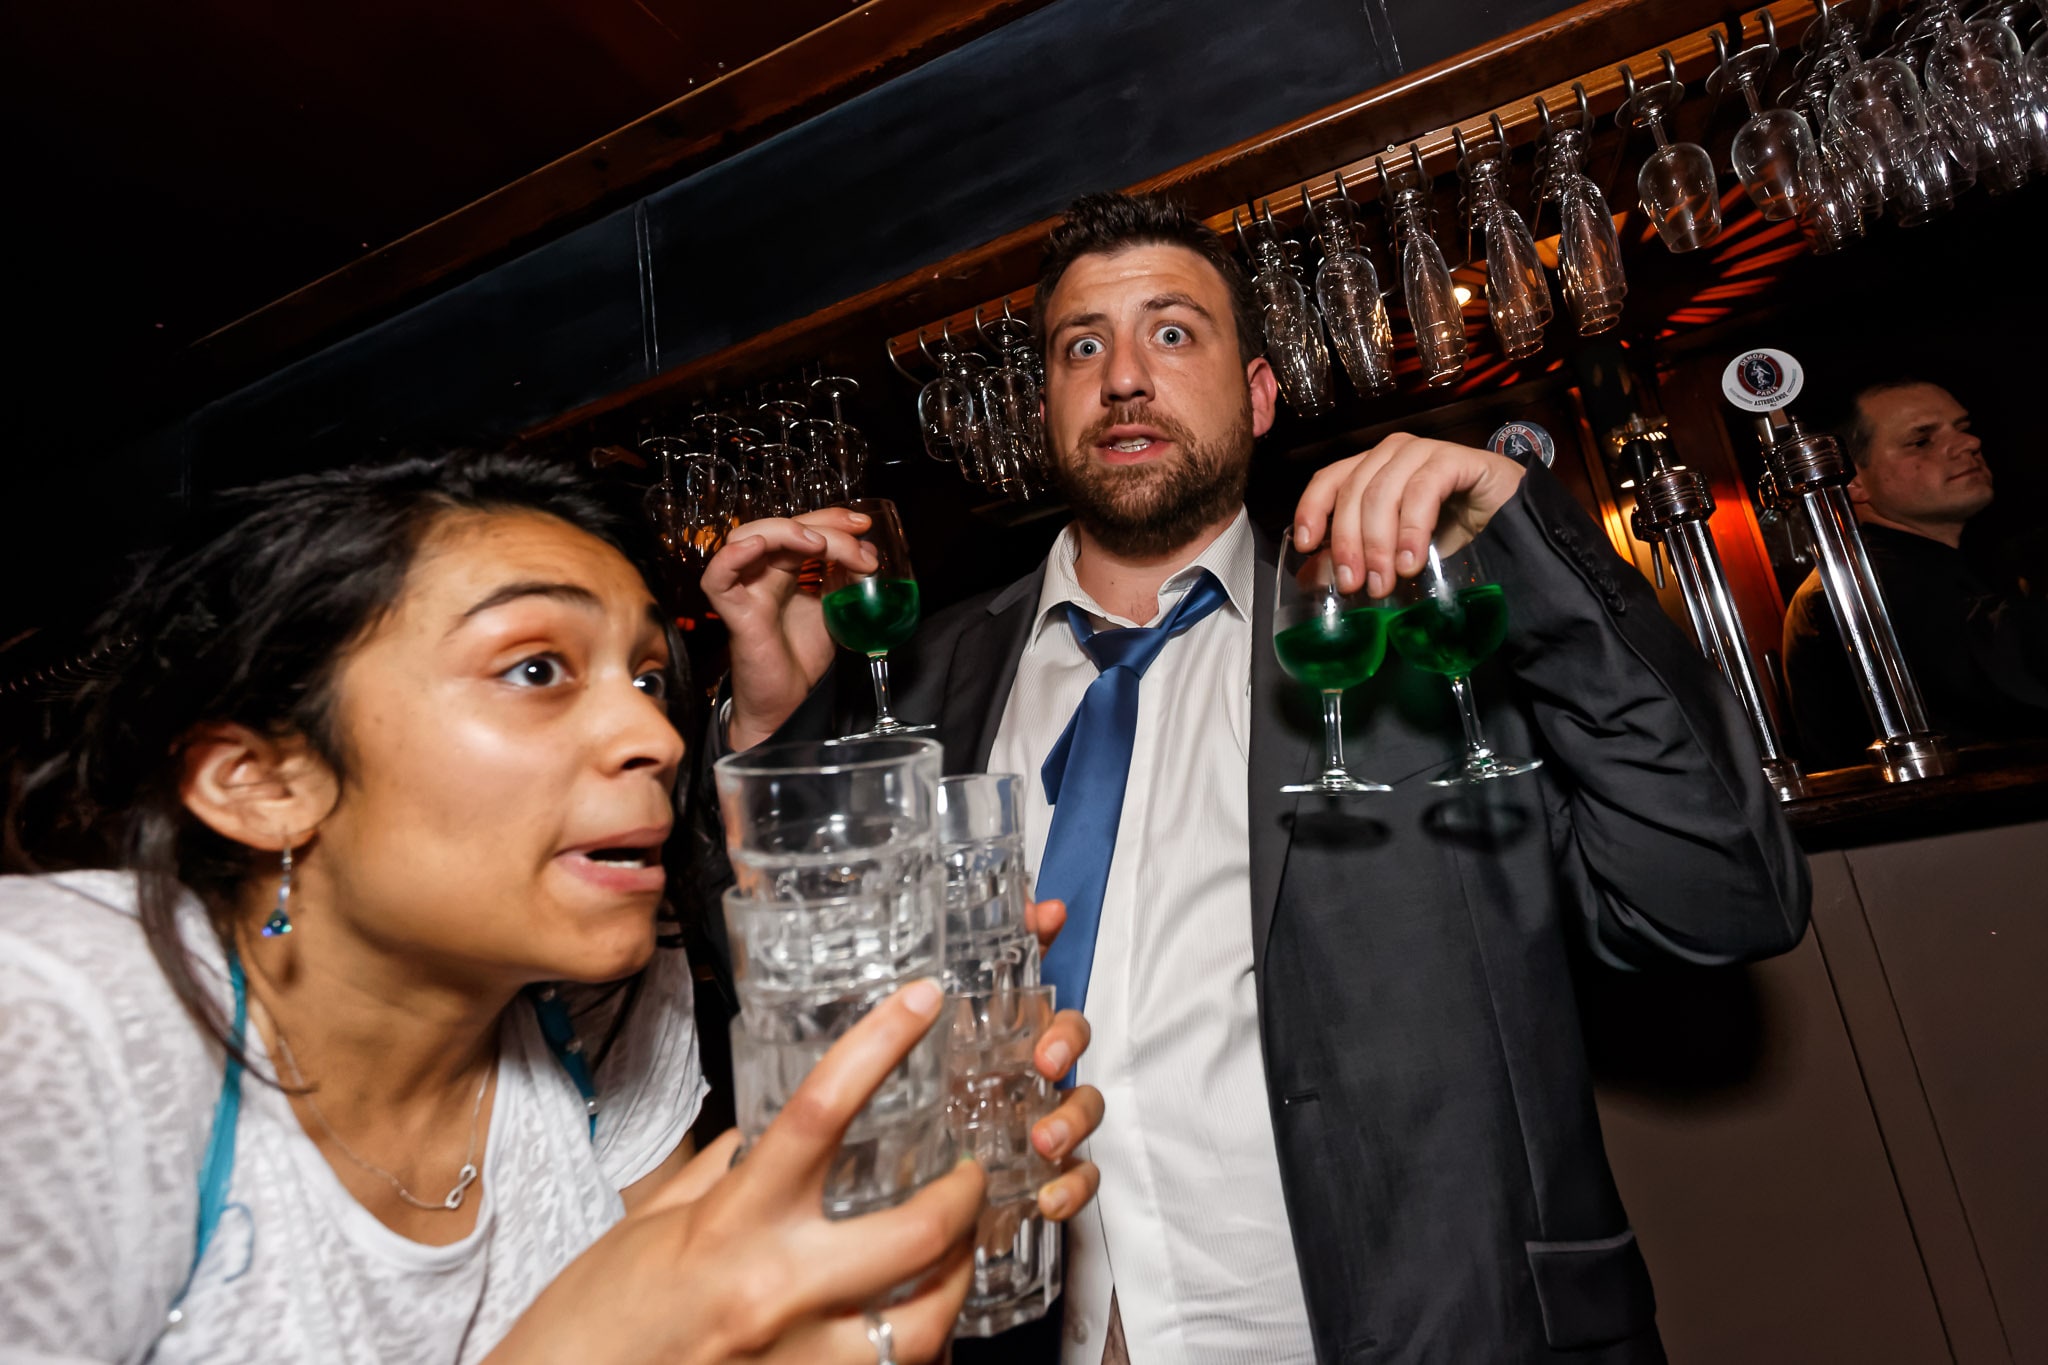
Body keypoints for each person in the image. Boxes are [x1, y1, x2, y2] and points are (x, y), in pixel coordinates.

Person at [700, 193, 1810, 1364]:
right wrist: (771, 726)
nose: (1123, 378)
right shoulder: (922, 679)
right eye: (1081, 347)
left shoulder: (1405, 639)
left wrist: (1520, 536)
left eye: (1172, 333)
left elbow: (1719, 895)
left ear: (1259, 395)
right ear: (1044, 412)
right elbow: (787, 1014)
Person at [0, 451, 1105, 1365]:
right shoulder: (56, 1012)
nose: (658, 736)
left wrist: (914, 1165)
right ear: (261, 782)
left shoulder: (606, 1006)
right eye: (535, 668)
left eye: (646, 678)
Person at [1781, 379, 2048, 770]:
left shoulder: (1930, 565)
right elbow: (2017, 664)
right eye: (1921, 441)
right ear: (1852, 479)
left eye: (1963, 427)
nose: (1969, 443)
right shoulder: (1865, 585)